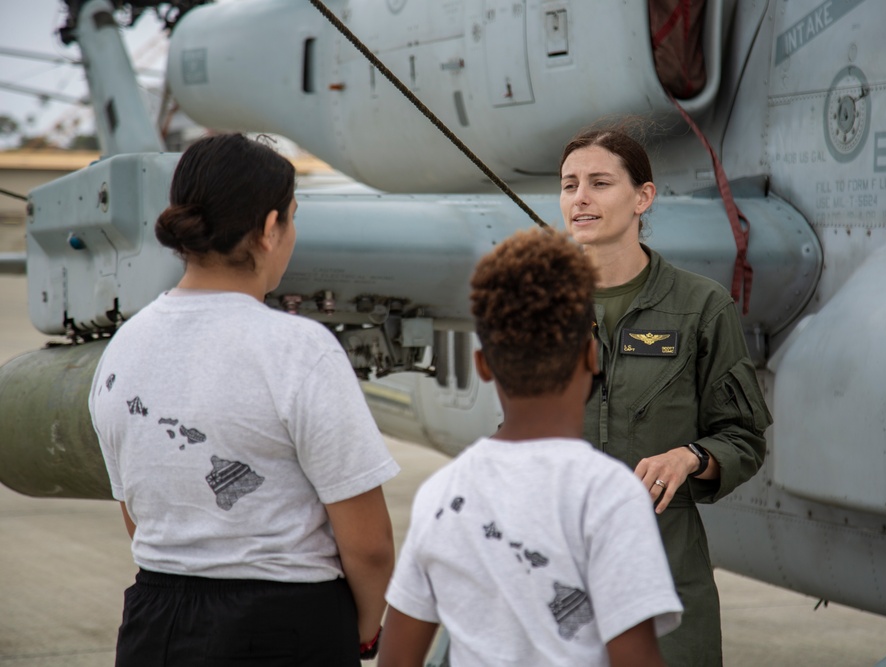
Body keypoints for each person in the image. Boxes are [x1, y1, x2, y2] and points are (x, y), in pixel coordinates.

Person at [88, 133, 399, 666]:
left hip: (153, 624)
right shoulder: (300, 349)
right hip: (284, 626)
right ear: (271, 228)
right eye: (293, 218)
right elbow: (368, 546)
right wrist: (364, 631)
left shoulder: (122, 349)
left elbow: (136, 513)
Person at [379, 229, 683, 667]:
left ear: (482, 365)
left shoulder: (442, 496)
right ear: (591, 356)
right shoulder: (610, 494)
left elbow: (397, 659)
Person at [559, 126, 772, 666]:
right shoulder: (541, 306)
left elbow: (743, 437)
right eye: (569, 184)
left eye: (600, 182)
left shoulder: (702, 307)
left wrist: (693, 456)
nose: (580, 197)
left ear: (643, 197)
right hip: (557, 568)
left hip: (664, 571)